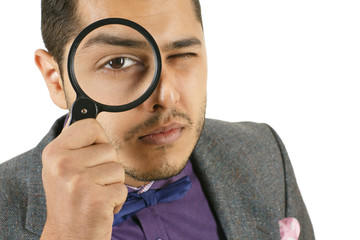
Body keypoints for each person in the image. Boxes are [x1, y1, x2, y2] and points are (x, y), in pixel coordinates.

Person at [0, 0, 315, 239]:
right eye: (119, 62)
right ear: (56, 79)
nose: (165, 96)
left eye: (182, 54)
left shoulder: (263, 153)